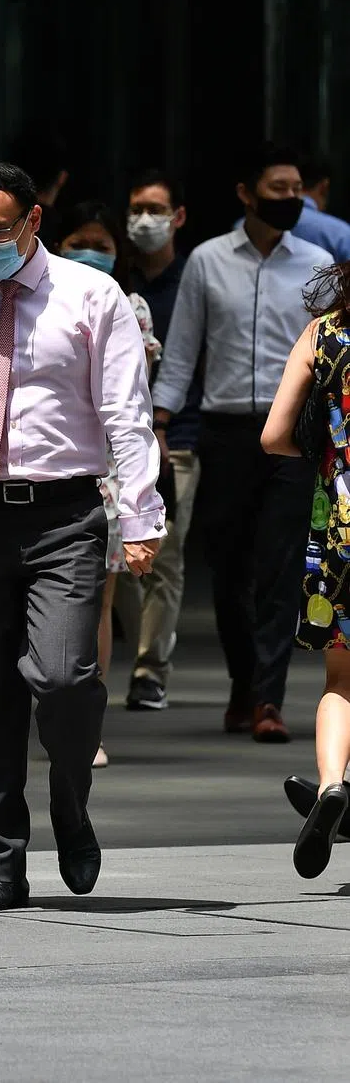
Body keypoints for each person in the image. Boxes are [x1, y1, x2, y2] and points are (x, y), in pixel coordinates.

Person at [0, 162, 165, 912]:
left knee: (64, 677)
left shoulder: (93, 297)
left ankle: (70, 799)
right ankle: (1, 861)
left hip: (66, 515)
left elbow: (126, 414)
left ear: (33, 220)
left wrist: (140, 518)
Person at [152, 143, 333, 742]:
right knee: (228, 566)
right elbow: (183, 349)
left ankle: (268, 698)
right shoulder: (207, 261)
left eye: (297, 190)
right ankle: (244, 684)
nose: (291, 199)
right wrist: (159, 420)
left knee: (281, 564)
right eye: (279, 189)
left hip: (295, 434)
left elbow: (329, 351)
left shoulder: (316, 262)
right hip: (226, 430)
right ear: (246, 194)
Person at [57, 201, 162, 769]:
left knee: (96, 601)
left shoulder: (129, 306)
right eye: (80, 242)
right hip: (50, 467)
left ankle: (85, 725)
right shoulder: (28, 299)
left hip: (110, 474)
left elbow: (131, 400)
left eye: (102, 246)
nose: (90, 254)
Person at [263, 262, 350, 877]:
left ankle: (331, 786)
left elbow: (274, 436)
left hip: (339, 528)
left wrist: (327, 454)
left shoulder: (323, 333)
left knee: (340, 680)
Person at [118, 169, 196, 712]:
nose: (144, 220)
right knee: (121, 561)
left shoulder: (193, 282)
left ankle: (150, 670)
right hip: (115, 443)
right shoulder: (114, 282)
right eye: (136, 209)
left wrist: (165, 425)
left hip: (179, 436)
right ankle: (132, 651)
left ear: (178, 217)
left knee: (165, 553)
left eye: (156, 209)